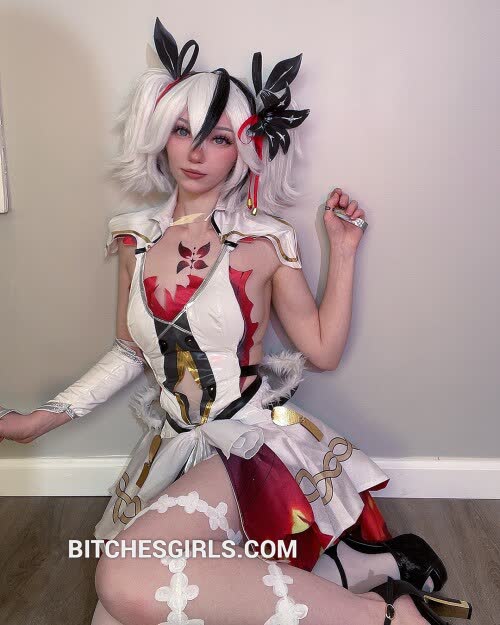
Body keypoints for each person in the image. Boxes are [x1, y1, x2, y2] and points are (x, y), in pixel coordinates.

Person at [0, 18, 472, 625]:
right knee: (121, 610)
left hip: (247, 443)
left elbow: (323, 351)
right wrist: (38, 422)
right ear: (161, 136)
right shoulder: (133, 237)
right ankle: (365, 571)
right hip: (175, 448)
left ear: (244, 150)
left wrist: (343, 250)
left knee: (122, 580)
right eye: (183, 131)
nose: (196, 153)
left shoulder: (265, 241)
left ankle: (389, 615)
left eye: (219, 137)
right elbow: (131, 348)